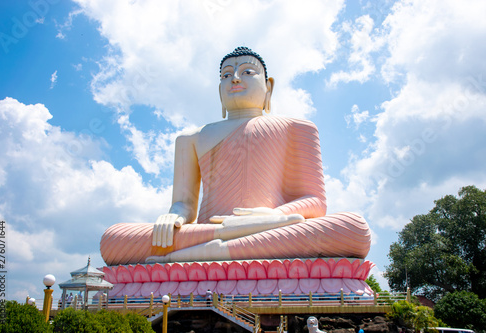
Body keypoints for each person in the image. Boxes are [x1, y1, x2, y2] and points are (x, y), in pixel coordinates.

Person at [100, 47, 371, 265]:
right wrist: (173, 217)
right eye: (226, 75)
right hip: (219, 232)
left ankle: (190, 258)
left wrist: (274, 216)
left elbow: (315, 202)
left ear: (269, 86)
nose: (235, 79)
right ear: (220, 89)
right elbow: (184, 205)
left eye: (247, 72)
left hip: (275, 226)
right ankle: (215, 244)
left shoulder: (297, 127)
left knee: (353, 228)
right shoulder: (191, 138)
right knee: (113, 239)